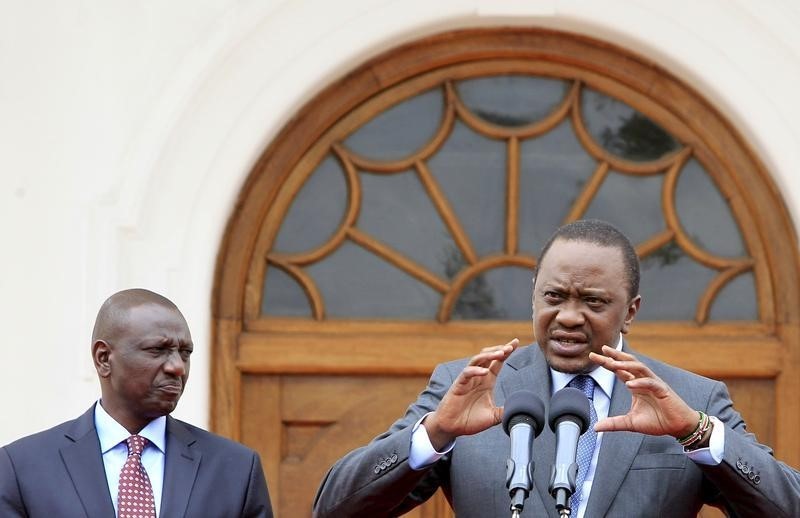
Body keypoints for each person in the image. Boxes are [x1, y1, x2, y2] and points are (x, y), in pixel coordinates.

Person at [313, 219, 800, 517]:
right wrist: (436, 433)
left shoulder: (690, 400)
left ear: (630, 310)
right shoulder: (470, 388)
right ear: (534, 295)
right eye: (554, 297)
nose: (568, 316)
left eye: (592, 301)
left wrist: (697, 433)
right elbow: (336, 507)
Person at [0, 288, 273, 517]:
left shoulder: (235, 469)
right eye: (158, 350)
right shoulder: (22, 468)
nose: (177, 367)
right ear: (104, 358)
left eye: (185, 353)